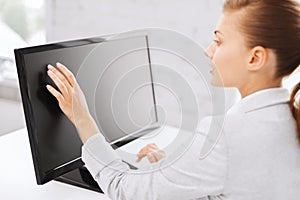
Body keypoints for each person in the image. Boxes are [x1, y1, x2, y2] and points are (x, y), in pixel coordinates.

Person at [45, 0, 300, 199]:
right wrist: (172, 172)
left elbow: (124, 190)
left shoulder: (223, 136)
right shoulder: (289, 118)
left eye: (218, 41)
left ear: (255, 58)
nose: (208, 51)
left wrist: (82, 117)